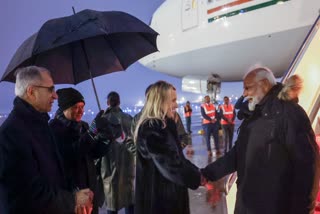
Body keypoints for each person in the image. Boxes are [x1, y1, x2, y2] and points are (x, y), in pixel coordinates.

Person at [201, 66, 320, 214]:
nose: (244, 94)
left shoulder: (289, 114)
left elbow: (308, 168)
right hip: (247, 205)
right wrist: (206, 174)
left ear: (263, 84)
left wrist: (302, 210)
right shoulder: (253, 115)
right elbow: (237, 155)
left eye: (247, 88)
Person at [0, 66, 93, 214]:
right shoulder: (11, 134)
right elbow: (28, 194)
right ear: (31, 92)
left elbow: (56, 172)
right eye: (50, 89)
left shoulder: (41, 126)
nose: (55, 96)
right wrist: (73, 199)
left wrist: (75, 191)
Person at [134, 80, 201, 214]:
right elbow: (170, 166)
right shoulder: (151, 129)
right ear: (161, 101)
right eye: (173, 100)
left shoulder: (166, 125)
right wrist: (198, 178)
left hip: (171, 199)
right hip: (158, 203)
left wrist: (199, 172)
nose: (176, 105)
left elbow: (179, 159)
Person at [49, 88, 113, 214]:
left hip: (89, 188)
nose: (81, 111)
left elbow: (93, 153)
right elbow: (71, 154)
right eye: (76, 107)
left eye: (82, 107)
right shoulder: (54, 129)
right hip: (71, 193)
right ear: (64, 108)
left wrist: (106, 139)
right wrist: (92, 132)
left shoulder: (83, 126)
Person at [93, 91, 135, 214]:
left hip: (108, 167)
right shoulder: (129, 119)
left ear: (107, 103)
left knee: (112, 200)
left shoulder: (102, 121)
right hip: (128, 166)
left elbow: (95, 146)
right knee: (130, 198)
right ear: (119, 102)